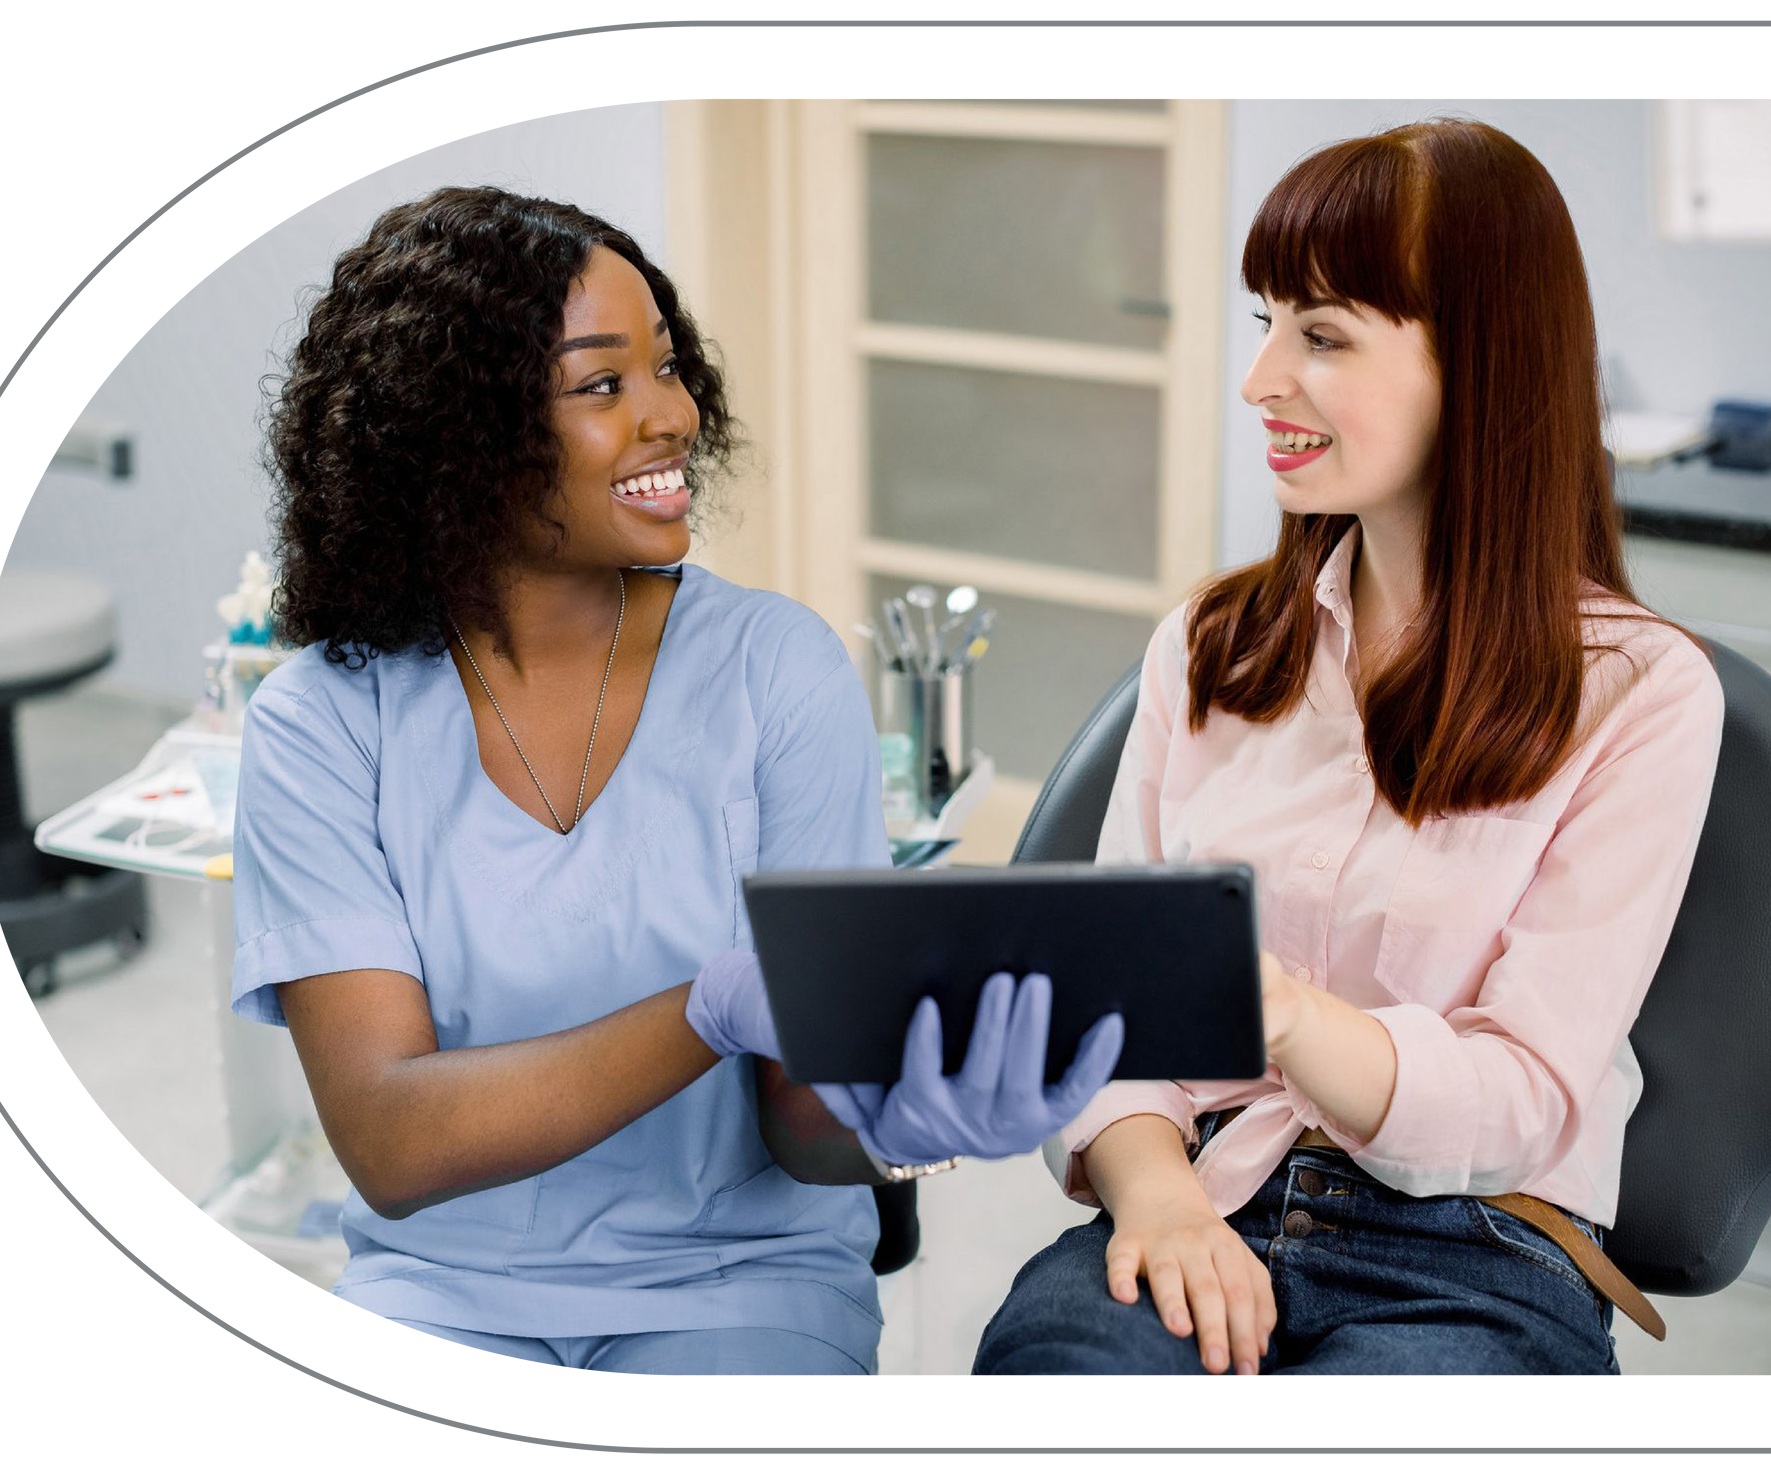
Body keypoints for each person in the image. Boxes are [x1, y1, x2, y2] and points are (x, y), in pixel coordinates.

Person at [232, 187, 1122, 1377]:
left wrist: (900, 1116)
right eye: (604, 385)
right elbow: (392, 1141)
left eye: (667, 365)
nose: (672, 414)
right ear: (455, 433)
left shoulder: (775, 669)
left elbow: (806, 1126)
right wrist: (700, 1010)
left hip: (739, 1286)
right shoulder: (323, 720)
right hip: (439, 1290)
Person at [972, 119, 1725, 1378]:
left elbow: (1526, 1092)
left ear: (1482, 365)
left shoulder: (1643, 693)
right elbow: (1106, 1007)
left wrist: (1280, 1011)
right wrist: (1155, 1194)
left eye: (1321, 334)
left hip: (1481, 1251)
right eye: (1264, 321)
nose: (1263, 379)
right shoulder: (1210, 647)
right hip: (1201, 1195)